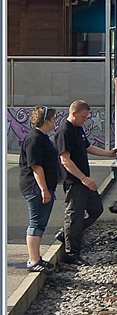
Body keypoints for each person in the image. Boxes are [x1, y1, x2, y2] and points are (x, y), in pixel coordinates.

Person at [55, 100, 117, 265]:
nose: (85, 120)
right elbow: (65, 160)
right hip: (75, 181)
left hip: (84, 181)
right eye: (83, 117)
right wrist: (84, 178)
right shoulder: (64, 132)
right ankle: (71, 253)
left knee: (96, 209)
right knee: (74, 216)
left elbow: (88, 147)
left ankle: (67, 234)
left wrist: (108, 153)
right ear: (74, 114)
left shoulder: (77, 129)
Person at [18, 106, 59, 272]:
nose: (55, 121)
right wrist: (44, 189)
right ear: (46, 121)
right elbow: (36, 166)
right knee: (36, 223)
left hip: (42, 186)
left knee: (40, 223)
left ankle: (36, 258)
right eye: (53, 119)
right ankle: (33, 260)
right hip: (34, 187)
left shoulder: (41, 137)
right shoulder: (34, 138)